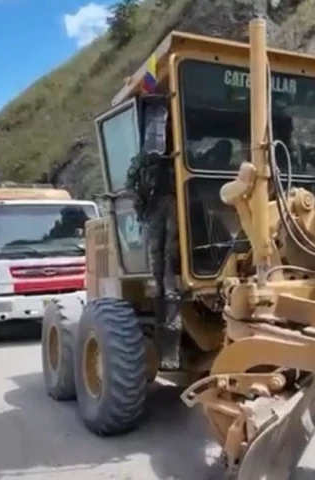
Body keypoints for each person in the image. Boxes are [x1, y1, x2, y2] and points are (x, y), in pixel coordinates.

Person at [125, 97, 182, 370]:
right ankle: (168, 347)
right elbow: (131, 185)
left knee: (164, 263)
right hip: (161, 209)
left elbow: (131, 184)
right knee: (162, 268)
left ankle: (170, 346)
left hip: (167, 208)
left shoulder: (169, 157)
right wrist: (140, 206)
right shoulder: (150, 159)